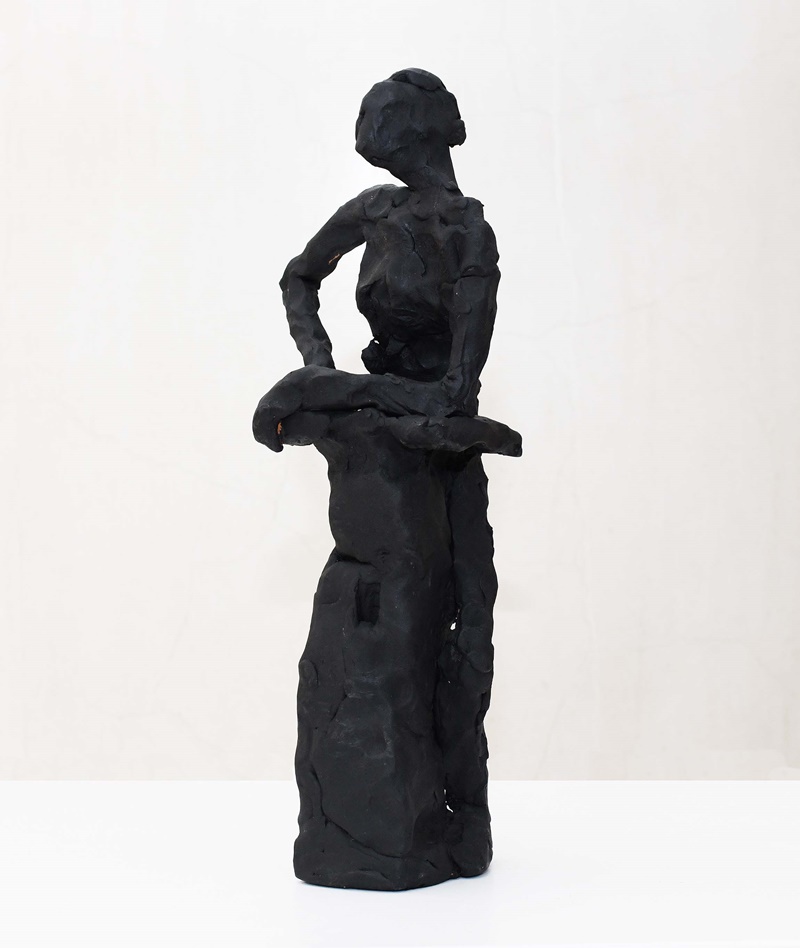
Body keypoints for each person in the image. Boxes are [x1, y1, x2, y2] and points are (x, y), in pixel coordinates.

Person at [255, 68, 503, 875]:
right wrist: (322, 366)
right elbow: (299, 275)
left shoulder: (469, 232)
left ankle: (452, 824)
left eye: (384, 124)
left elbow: (454, 393)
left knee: (454, 644)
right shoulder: (375, 211)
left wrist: (335, 391)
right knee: (354, 649)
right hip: (378, 437)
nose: (373, 141)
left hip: (433, 450)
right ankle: (351, 828)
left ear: (418, 131)